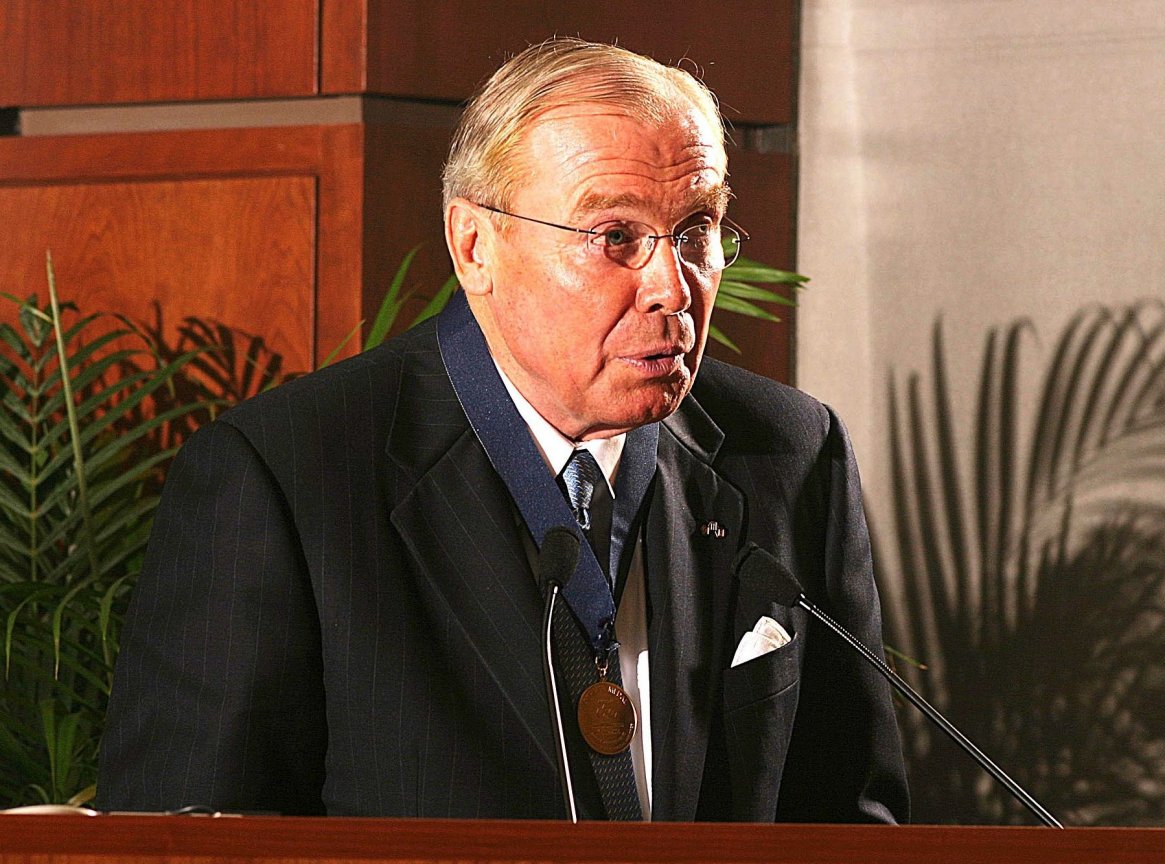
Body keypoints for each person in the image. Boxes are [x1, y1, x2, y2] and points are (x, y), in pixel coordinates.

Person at [98, 38, 908, 823]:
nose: (672, 285)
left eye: (696, 230)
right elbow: (185, 859)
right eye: (615, 237)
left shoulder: (790, 454)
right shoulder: (284, 477)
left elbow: (852, 839)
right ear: (475, 245)